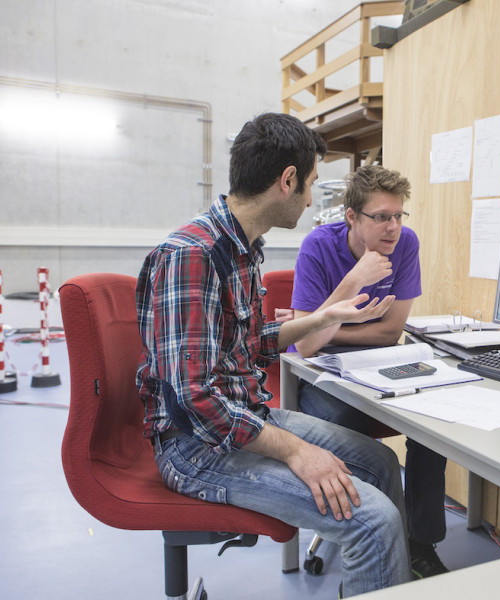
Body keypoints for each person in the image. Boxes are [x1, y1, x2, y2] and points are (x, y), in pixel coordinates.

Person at [135, 112, 411, 597]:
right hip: (195, 448)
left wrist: (325, 318)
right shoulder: (193, 256)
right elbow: (194, 400)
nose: (310, 199)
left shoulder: (242, 247)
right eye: (309, 186)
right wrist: (298, 452)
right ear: (287, 181)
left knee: (381, 464)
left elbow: (249, 342)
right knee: (372, 521)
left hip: (240, 418)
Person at [291, 164, 450, 579]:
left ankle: (420, 542)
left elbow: (391, 332)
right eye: (381, 217)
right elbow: (306, 346)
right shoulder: (317, 247)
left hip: (377, 367)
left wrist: (331, 327)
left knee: (432, 424)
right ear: (352, 218)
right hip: (319, 375)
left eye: (398, 215)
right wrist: (354, 281)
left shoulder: (406, 243)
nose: (393, 227)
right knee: (342, 418)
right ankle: (368, 533)